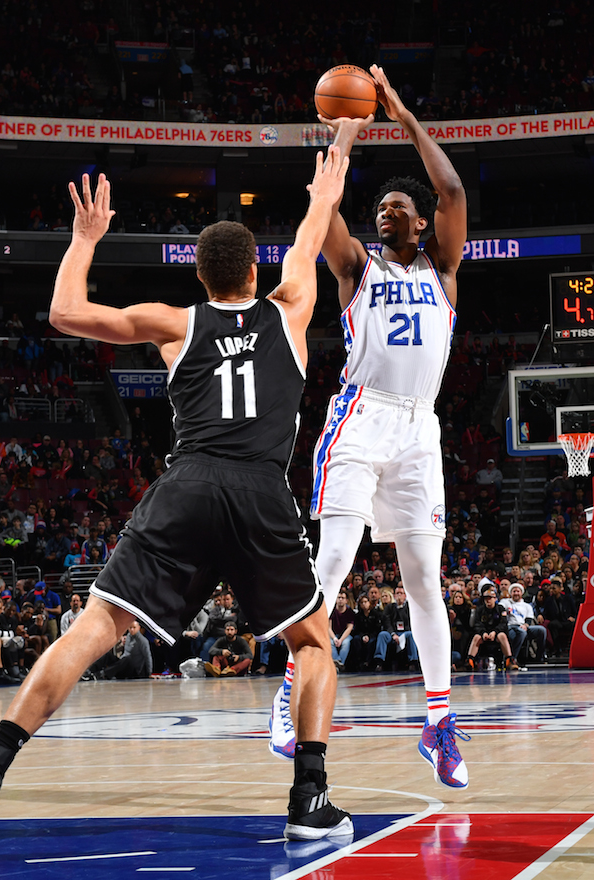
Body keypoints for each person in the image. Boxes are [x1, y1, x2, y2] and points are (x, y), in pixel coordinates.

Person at [0, 151, 353, 846]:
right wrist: (335, 161)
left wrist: (84, 238)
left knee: (96, 626)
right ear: (255, 273)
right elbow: (313, 232)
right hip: (260, 491)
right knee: (313, 642)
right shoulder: (290, 309)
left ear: (200, 279)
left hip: (189, 486)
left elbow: (64, 312)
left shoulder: (175, 323)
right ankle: (309, 799)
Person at [269, 64, 470, 789]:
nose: (386, 213)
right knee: (333, 562)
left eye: (397, 209)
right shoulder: (358, 271)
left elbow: (451, 190)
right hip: (359, 418)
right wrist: (345, 141)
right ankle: (290, 694)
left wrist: (401, 112)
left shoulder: (443, 269)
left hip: (420, 433)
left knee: (425, 582)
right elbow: (325, 222)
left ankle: (440, 723)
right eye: (379, 207)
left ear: (420, 224)